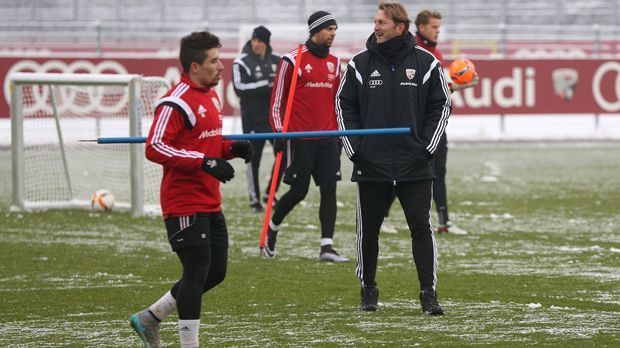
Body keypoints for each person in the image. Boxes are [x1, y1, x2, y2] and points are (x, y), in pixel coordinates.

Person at [129, 31, 254, 348]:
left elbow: (205, 144)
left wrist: (231, 149)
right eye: (214, 61)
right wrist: (204, 162)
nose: (220, 67)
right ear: (195, 66)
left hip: (210, 202)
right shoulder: (175, 101)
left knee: (215, 273)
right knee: (197, 271)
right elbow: (155, 146)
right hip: (183, 203)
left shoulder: (212, 95)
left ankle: (149, 318)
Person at [336, 1, 451, 314]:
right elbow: (344, 107)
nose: (376, 27)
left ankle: (428, 294)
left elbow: (441, 106)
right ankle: (368, 289)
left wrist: (426, 146)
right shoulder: (358, 64)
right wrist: (357, 150)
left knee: (421, 229)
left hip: (415, 164)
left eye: (382, 22)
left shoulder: (426, 62)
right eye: (375, 21)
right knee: (368, 233)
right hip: (372, 165)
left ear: (400, 27)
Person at [379, 9, 477, 235]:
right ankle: (382, 215)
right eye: (434, 28)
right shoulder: (410, 50)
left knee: (438, 172)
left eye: (439, 28)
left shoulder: (437, 55)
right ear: (421, 28)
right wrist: (453, 87)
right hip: (413, 124)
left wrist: (452, 88)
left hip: (434, 124)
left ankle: (444, 222)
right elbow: (416, 92)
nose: (438, 32)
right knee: (407, 171)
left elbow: (436, 92)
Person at [263, 10, 348, 263]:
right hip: (300, 139)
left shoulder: (335, 62)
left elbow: (338, 102)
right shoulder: (291, 60)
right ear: (315, 30)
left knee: (329, 191)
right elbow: (277, 102)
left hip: (328, 138)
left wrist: (340, 133)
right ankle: (272, 230)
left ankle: (327, 247)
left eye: (335, 29)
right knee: (299, 191)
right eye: (329, 29)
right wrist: (279, 132)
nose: (333, 34)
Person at [233, 25, 284, 213]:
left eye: (260, 41)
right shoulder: (241, 62)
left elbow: (283, 85)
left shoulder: (277, 60)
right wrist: (266, 84)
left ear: (266, 43)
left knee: (283, 155)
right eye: (254, 40)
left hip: (273, 119)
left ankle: (270, 192)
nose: (256, 44)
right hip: (252, 121)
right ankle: (255, 201)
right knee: (253, 160)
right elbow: (240, 88)